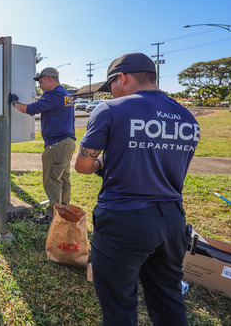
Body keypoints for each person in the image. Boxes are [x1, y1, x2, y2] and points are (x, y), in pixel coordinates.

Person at [74, 53, 199, 325]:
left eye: (112, 86)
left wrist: (100, 164)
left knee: (120, 306)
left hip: (123, 219)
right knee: (169, 300)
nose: (112, 93)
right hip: (172, 220)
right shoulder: (188, 118)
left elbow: (82, 165)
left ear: (122, 77)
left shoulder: (111, 109)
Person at [10, 67, 76, 224]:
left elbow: (30, 109)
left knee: (52, 179)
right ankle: (64, 210)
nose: (40, 87)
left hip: (57, 144)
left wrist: (14, 102)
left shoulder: (54, 95)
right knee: (63, 177)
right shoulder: (66, 94)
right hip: (68, 142)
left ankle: (52, 216)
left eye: (40, 82)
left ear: (48, 78)